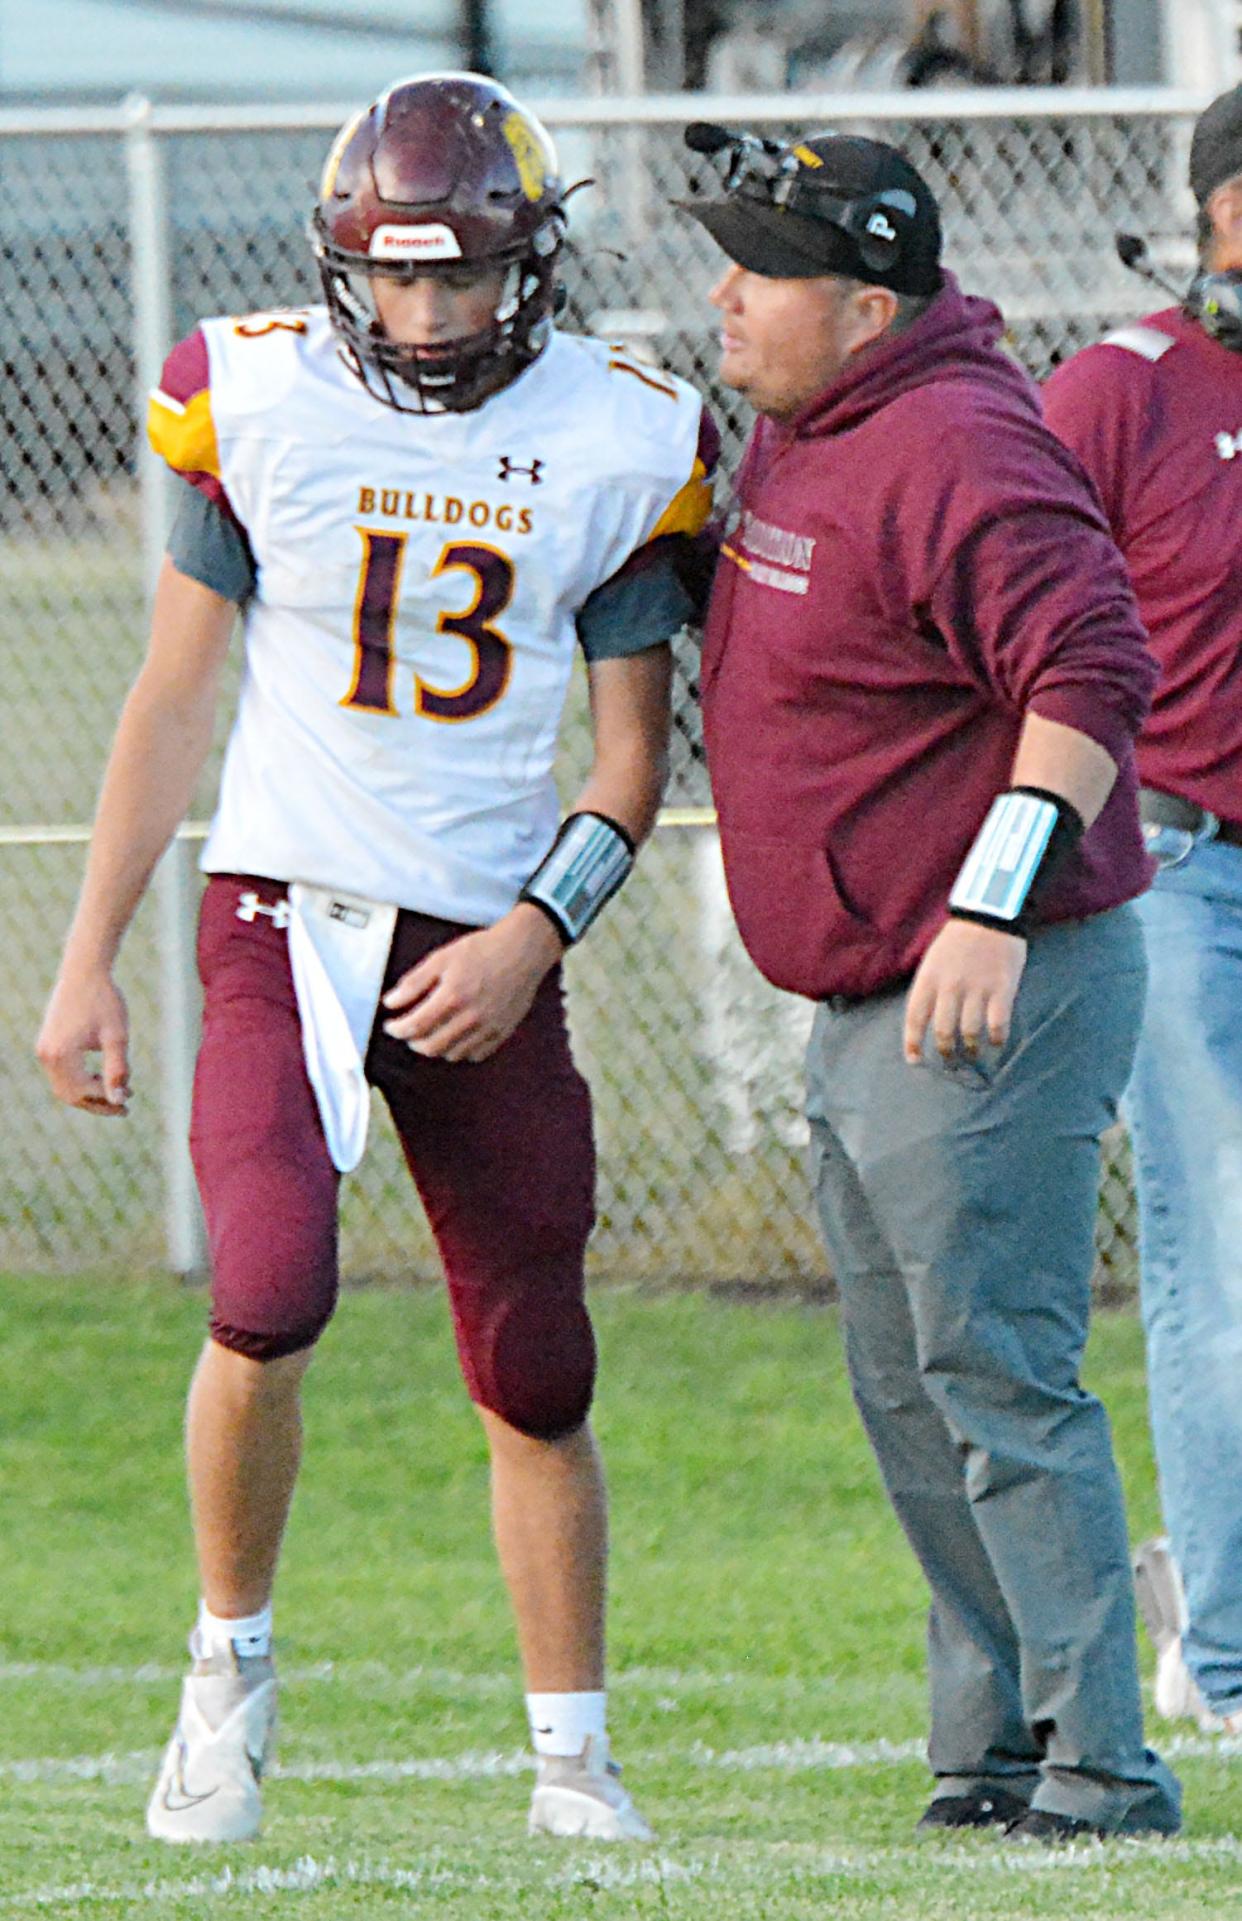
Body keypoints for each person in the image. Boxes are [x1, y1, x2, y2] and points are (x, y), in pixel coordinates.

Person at [36, 71, 716, 1847]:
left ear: (533, 264)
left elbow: (633, 769)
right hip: (280, 910)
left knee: (539, 1359)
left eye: (464, 279)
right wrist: (85, 954)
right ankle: (224, 1679)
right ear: (345, 268)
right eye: (399, 280)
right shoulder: (252, 393)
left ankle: (572, 1751)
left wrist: (528, 933)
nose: (429, 317)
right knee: (266, 1292)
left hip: (485, 934)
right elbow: (173, 694)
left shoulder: (627, 430)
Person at [678, 124, 1181, 1841]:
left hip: (985, 983)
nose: (724, 296)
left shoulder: (956, 441)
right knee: (905, 1382)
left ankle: (1100, 1766)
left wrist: (983, 904)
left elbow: (1094, 667)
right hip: (859, 988)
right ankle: (992, 1747)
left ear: (873, 305)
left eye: (761, 269)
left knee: (996, 1372)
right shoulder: (801, 428)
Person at [1043, 82, 1242, 1737]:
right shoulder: (1119, 389)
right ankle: (1233, 1657)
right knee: (1223, 1237)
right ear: (1225, 211)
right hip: (1181, 867)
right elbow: (1024, 619)